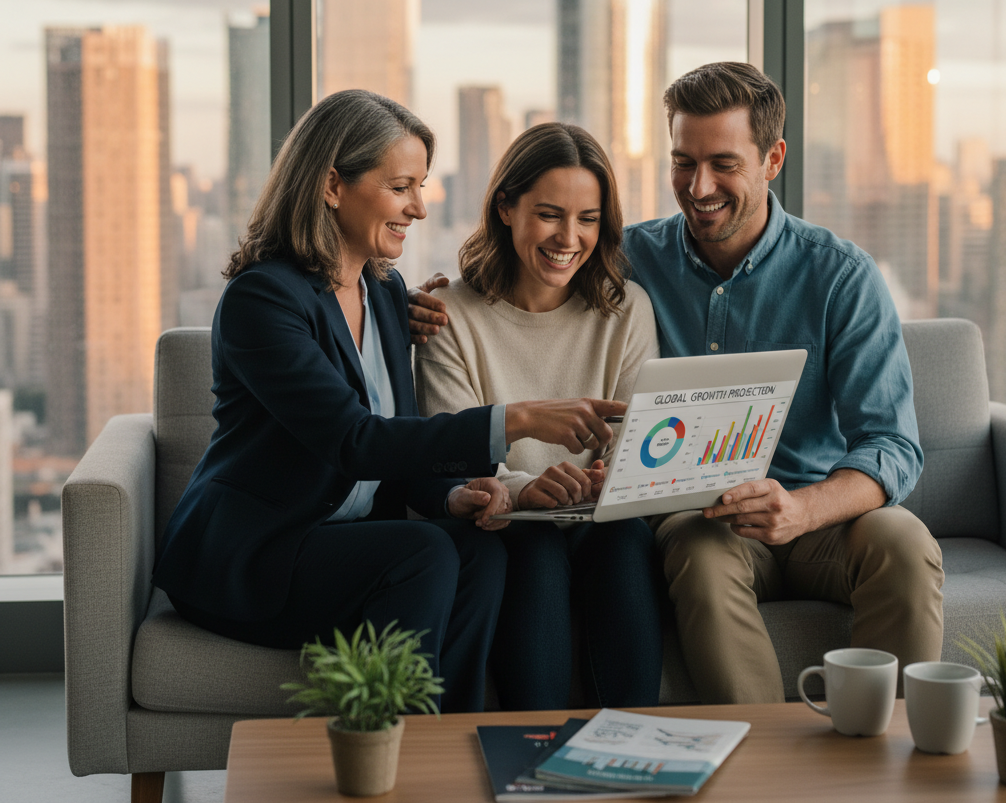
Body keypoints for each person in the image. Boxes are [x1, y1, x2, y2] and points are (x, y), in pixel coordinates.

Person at [410, 63, 944, 705]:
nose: (699, 186)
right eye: (683, 162)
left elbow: (893, 445)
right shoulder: (627, 258)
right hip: (707, 521)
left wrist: (801, 510)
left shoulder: (839, 276)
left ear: (772, 159)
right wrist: (418, 301)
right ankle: (759, 766)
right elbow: (537, 269)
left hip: (817, 514)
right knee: (694, 547)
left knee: (904, 540)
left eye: (723, 163)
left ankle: (893, 759)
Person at [152, 90, 625, 713]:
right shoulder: (261, 301)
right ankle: (396, 748)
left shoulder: (384, 292)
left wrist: (457, 495)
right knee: (422, 550)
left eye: (421, 186)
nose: (419, 208)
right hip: (256, 557)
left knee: (477, 545)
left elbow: (403, 447)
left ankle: (455, 743)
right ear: (331, 185)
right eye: (402, 186)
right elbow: (356, 442)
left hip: (344, 544)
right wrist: (520, 419)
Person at [414, 123, 664, 710]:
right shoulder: (446, 315)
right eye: (550, 214)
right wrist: (527, 492)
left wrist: (608, 480)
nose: (568, 238)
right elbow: (453, 447)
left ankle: (631, 756)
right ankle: (533, 761)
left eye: (588, 219)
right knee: (537, 551)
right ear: (506, 207)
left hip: (602, 521)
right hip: (508, 527)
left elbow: (635, 434)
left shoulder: (627, 310)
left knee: (626, 540)